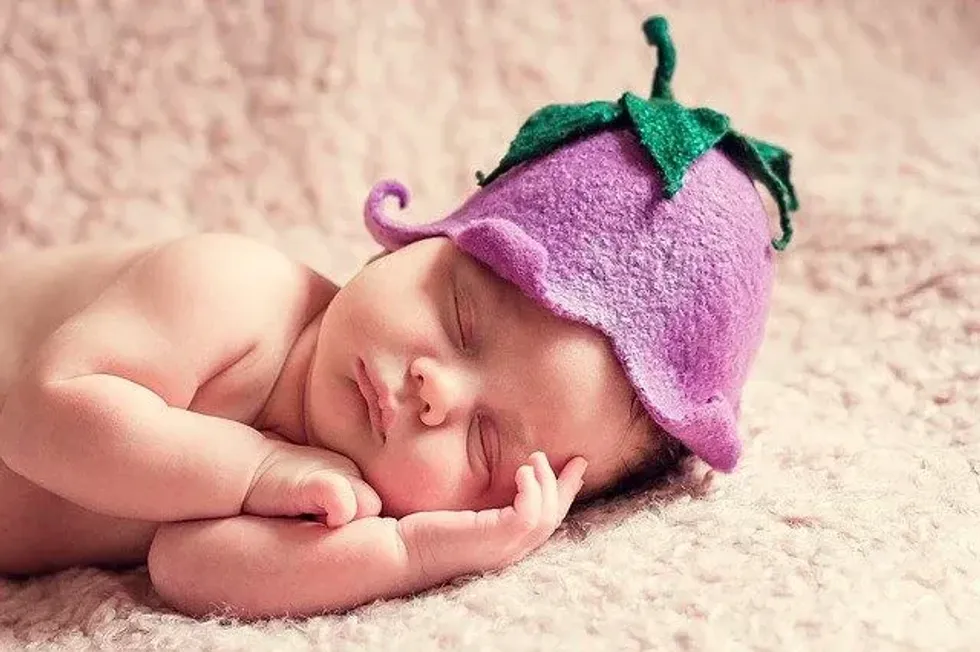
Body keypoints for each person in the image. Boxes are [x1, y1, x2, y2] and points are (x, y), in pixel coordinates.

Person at [0, 16, 798, 619]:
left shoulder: (347, 483)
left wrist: (414, 550)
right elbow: (39, 417)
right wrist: (258, 472)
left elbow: (188, 568)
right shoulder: (232, 288)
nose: (433, 391)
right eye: (460, 316)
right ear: (416, 247)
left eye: (484, 443)